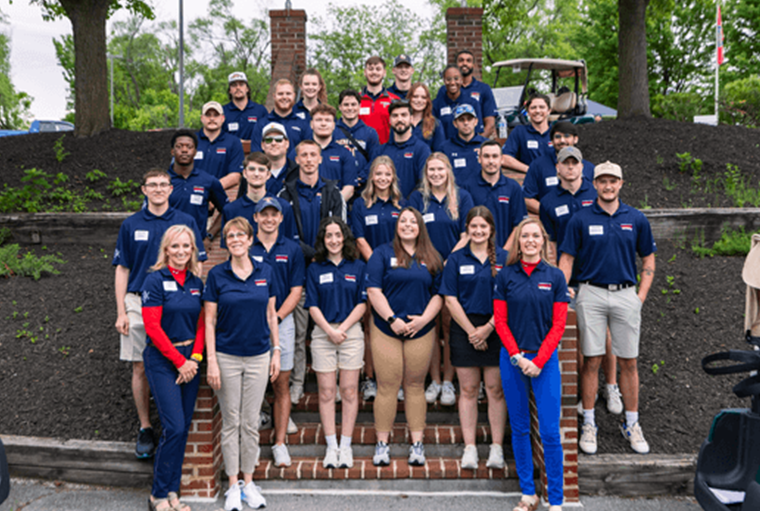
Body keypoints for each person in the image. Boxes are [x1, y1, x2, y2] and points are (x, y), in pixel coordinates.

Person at [559, 162, 656, 455]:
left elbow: (648, 260)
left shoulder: (636, 218)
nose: (608, 186)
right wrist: (561, 291)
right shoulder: (580, 218)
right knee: (591, 359)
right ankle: (589, 423)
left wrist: (639, 296)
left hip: (626, 294)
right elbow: (566, 259)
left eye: (613, 181)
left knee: (629, 361)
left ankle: (632, 422)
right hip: (590, 293)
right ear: (595, 184)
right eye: (602, 181)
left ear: (621, 183)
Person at [113, 169, 206, 460]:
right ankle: (145, 427)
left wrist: (193, 294)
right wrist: (121, 311)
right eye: (152, 185)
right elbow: (122, 268)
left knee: (175, 357)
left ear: (170, 189)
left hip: (178, 300)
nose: (158, 189)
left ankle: (172, 423)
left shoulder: (185, 221)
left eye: (163, 184)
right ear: (144, 189)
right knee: (140, 365)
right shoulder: (131, 224)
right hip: (140, 300)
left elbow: (197, 264)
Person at [203, 217, 280, 511]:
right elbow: (209, 321)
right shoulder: (217, 275)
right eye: (230, 235)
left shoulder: (266, 271)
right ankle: (232, 485)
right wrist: (211, 360)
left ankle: (249, 483)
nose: (235, 239)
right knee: (231, 421)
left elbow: (272, 315)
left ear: (250, 240)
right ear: (226, 242)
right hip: (227, 356)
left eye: (241, 235)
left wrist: (276, 350)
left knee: (250, 423)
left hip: (260, 355)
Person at [539, 147, 621, 417]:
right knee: (577, 338)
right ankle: (584, 390)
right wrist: (557, 282)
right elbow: (551, 245)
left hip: (598, 277)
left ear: (583, 167)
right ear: (558, 168)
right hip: (570, 279)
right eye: (566, 163)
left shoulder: (596, 195)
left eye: (575, 163)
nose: (571, 168)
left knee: (606, 337)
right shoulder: (549, 202)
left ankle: (610, 385)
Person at [494, 218, 569, 511]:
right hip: (512, 360)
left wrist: (537, 361)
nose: (529, 240)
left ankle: (557, 500)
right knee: (521, 428)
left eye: (535, 236)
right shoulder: (505, 276)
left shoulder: (555, 276)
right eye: (524, 235)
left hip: (545, 361)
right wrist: (517, 357)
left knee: (550, 432)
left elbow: (559, 324)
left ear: (543, 241)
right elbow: (500, 321)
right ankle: (528, 494)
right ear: (518, 242)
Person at [366, 207, 443, 466]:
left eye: (413, 221)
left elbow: (439, 294)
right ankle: (382, 444)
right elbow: (374, 290)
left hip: (421, 329)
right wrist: (392, 320)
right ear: (397, 226)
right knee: (387, 386)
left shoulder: (431, 256)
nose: (407, 225)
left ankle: (417, 444)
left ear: (420, 226)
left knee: (414, 386)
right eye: (403, 221)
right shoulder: (381, 253)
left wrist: (424, 319)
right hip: (387, 328)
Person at [277, 140, 346, 406]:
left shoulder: (332, 192)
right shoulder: (286, 193)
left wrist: (322, 254)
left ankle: (335, 383)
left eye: (313, 155)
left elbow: (339, 229)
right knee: (297, 335)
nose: (308, 159)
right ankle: (296, 384)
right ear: (297, 159)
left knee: (333, 331)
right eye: (303, 155)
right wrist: (314, 253)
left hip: (329, 273)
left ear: (320, 159)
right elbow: (285, 237)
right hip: (298, 278)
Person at [439, 207, 507, 470]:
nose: (478, 231)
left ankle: (496, 448)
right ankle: (470, 448)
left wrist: (488, 328)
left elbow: (509, 298)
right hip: (463, 328)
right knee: (467, 390)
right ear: (467, 229)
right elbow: (450, 299)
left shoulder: (504, 258)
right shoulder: (456, 259)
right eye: (473, 227)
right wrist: (471, 331)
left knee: (495, 390)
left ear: (491, 230)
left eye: (483, 227)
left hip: (496, 328)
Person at [142, 225, 205, 511]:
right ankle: (157, 494)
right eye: (175, 246)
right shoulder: (154, 281)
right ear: (166, 249)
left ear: (193, 250)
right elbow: (152, 328)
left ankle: (172, 493)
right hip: (162, 359)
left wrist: (194, 359)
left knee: (182, 429)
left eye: (186, 246)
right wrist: (179, 362)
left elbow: (203, 324)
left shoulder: (196, 282)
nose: (181, 251)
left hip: (190, 360)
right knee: (174, 426)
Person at [408, 153, 474, 406]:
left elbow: (467, 233)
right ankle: (434, 380)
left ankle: (448, 381)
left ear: (448, 171)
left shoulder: (462, 196)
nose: (436, 174)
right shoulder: (418, 198)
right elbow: (411, 232)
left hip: (452, 269)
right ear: (426, 173)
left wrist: (448, 262)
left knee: (450, 325)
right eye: (431, 170)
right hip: (424, 270)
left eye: (440, 169)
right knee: (430, 327)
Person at [305, 218, 367, 469]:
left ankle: (346, 445)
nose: (333, 240)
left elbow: (363, 303)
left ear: (345, 238)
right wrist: (330, 330)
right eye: (328, 235)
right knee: (327, 392)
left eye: (338, 235)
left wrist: (342, 329)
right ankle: (331, 446)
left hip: (350, 333)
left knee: (350, 391)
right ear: (323, 239)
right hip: (323, 334)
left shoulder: (358, 267)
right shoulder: (315, 269)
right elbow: (312, 305)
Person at [249, 198, 305, 468]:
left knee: (281, 383)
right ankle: (252, 445)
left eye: (274, 214)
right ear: (256, 217)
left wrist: (277, 317)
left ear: (281, 218)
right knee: (253, 384)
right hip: (251, 323)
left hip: (282, 322)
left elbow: (296, 290)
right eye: (264, 214)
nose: (269, 219)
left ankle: (280, 443)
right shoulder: (246, 247)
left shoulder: (291, 249)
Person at [350, 156, 406, 401]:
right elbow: (360, 239)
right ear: (372, 176)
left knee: (397, 321)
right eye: (378, 174)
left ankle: (399, 380)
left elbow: (407, 237)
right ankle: (371, 380)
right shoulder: (361, 205)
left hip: (398, 271)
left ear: (393, 177)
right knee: (371, 325)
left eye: (387, 174)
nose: (383, 178)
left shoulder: (401, 204)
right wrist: (377, 264)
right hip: (371, 270)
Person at [221, 152, 298, 246]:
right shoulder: (231, 210)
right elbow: (229, 248)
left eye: (261, 170)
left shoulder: (284, 207)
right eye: (252, 169)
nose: (256, 174)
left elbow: (291, 245)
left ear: (268, 175)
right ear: (244, 173)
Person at [166, 129, 228, 244]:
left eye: (189, 147)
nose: (184, 150)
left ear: (195, 152)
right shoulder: (162, 181)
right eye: (179, 146)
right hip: (167, 245)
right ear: (172, 151)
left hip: (196, 247)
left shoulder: (208, 181)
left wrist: (210, 236)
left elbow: (227, 211)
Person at [462, 140, 527, 250]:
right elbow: (465, 226)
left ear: (501, 160)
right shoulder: (467, 187)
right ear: (479, 159)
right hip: (475, 254)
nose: (491, 161)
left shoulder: (513, 187)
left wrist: (504, 253)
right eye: (486, 156)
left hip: (505, 254)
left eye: (495, 156)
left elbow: (519, 225)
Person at [523, 121, 595, 214]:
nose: (562, 140)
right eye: (557, 137)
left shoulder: (589, 168)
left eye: (567, 136)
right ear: (552, 141)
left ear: (575, 139)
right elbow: (527, 197)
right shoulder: (538, 165)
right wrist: (549, 214)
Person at [378, 100, 431, 198]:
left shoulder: (422, 149)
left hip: (412, 209)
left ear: (411, 119)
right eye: (395, 116)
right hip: (385, 208)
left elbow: (424, 183)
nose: (399, 119)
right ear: (389, 120)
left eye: (403, 115)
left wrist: (408, 205)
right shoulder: (381, 150)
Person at [250, 79, 313, 160]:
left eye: (288, 94)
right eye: (280, 94)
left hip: (296, 171)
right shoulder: (261, 124)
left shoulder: (303, 125)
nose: (284, 97)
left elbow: (307, 153)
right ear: (274, 96)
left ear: (294, 96)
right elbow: (256, 155)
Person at [310, 103, 359, 202]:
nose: (323, 124)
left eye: (327, 120)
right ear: (312, 124)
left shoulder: (345, 153)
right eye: (319, 120)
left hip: (335, 212)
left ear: (333, 125)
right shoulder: (299, 152)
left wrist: (332, 205)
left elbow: (349, 189)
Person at [445, 50, 497, 138]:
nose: (464, 63)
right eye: (461, 60)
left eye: (468, 61)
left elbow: (490, 123)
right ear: (456, 64)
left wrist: (478, 144)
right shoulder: (446, 89)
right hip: (450, 145)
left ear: (473, 65)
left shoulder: (484, 89)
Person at [334, 89, 381, 188]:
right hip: (337, 184)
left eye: (353, 104)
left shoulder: (370, 133)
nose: (350, 108)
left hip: (362, 187)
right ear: (340, 107)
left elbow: (375, 159)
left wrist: (362, 177)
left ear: (359, 107)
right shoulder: (332, 131)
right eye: (346, 105)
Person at [195, 101, 245, 191]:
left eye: (216, 115)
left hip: (223, 194)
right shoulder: (192, 141)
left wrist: (212, 190)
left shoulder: (234, 142)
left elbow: (235, 175)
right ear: (202, 118)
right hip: (194, 193)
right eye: (208, 115)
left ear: (222, 118)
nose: (212, 119)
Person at [501, 93, 552, 172]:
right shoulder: (519, 131)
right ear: (528, 111)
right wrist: (531, 170)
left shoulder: (557, 132)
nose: (537, 111)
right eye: (533, 108)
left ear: (549, 111)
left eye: (542, 107)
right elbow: (505, 158)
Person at [432, 65, 483, 141]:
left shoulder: (472, 103)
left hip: (467, 149)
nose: (452, 83)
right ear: (444, 81)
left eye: (456, 79)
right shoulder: (435, 105)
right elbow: (432, 133)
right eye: (448, 79)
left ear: (461, 80)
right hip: (444, 150)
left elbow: (478, 131)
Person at [441, 104, 488, 185]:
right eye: (461, 120)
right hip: (456, 194)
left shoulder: (487, 145)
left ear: (476, 121)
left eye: (469, 119)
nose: (466, 123)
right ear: (455, 123)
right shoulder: (445, 148)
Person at [359, 56, 401, 144]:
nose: (374, 72)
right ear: (365, 72)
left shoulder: (394, 100)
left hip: (386, 153)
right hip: (360, 153)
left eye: (378, 69)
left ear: (384, 73)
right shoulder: (356, 100)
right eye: (371, 69)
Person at [223, 71, 268, 142]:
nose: (238, 88)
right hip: (231, 152)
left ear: (247, 89)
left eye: (241, 84)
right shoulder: (222, 112)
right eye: (234, 85)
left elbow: (268, 135)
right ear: (229, 90)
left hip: (255, 152)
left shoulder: (260, 110)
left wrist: (249, 143)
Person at [260, 122, 297, 196]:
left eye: (279, 139)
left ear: (287, 143)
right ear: (262, 145)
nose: (273, 143)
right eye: (268, 140)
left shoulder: (298, 172)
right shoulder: (253, 172)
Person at [408, 82, 445, 153]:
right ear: (409, 98)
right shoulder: (401, 121)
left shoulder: (436, 123)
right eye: (415, 96)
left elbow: (439, 153)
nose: (419, 100)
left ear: (427, 101)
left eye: (423, 97)